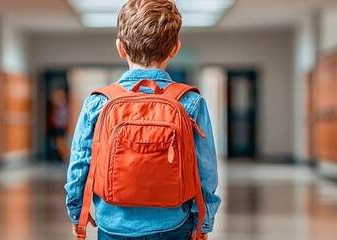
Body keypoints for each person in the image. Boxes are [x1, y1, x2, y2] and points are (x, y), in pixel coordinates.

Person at [64, 0, 221, 239]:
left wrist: (77, 212)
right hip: (174, 223)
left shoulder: (98, 102)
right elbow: (205, 169)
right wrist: (204, 221)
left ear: (120, 47)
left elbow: (80, 162)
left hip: (113, 223)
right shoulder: (190, 101)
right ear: (175, 48)